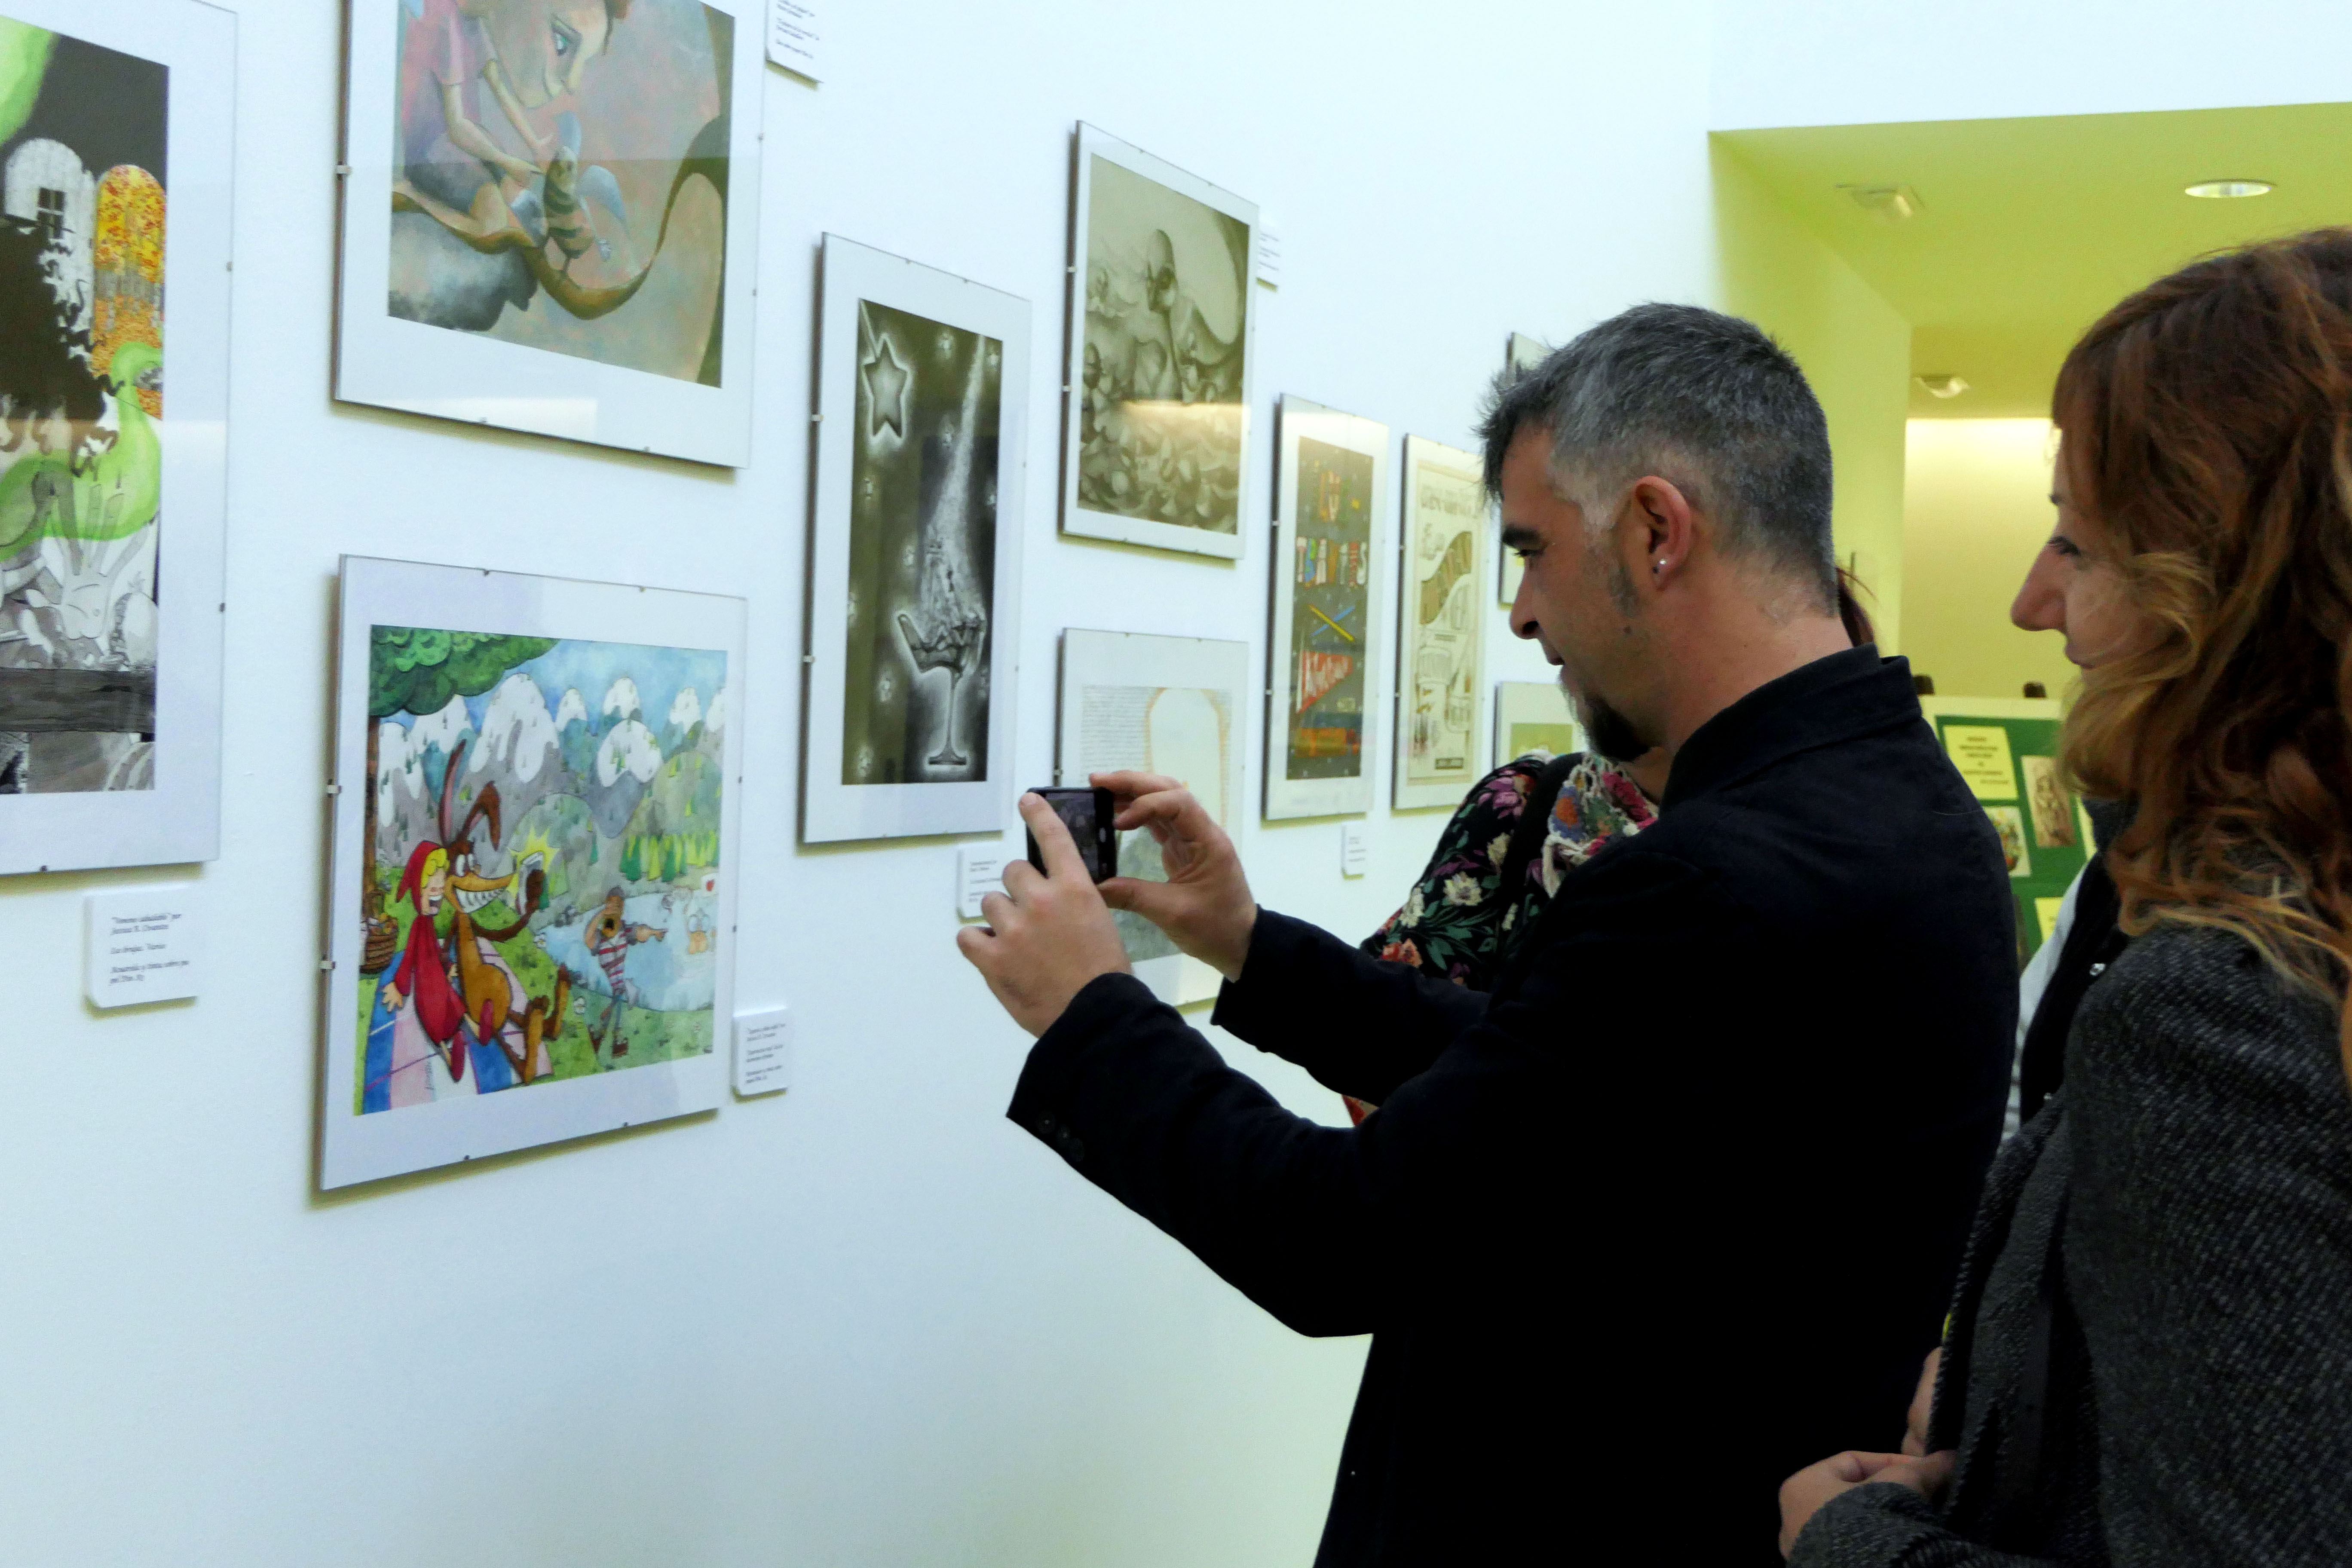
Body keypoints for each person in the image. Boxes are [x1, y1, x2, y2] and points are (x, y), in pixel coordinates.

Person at [958, 303, 2016, 1565]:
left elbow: (1335, 1238)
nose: (1518, 611)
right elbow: (1564, 1085)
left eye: (1533, 551)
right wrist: (1251, 945)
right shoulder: (1917, 814)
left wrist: (1091, 1015)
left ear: (1656, 531)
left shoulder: (1713, 880)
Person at [1778, 229, 2352, 1565]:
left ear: (2225, 600)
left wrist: (1857, 1542)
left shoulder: (2220, 1015)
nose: (2033, 602)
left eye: (2077, 544)